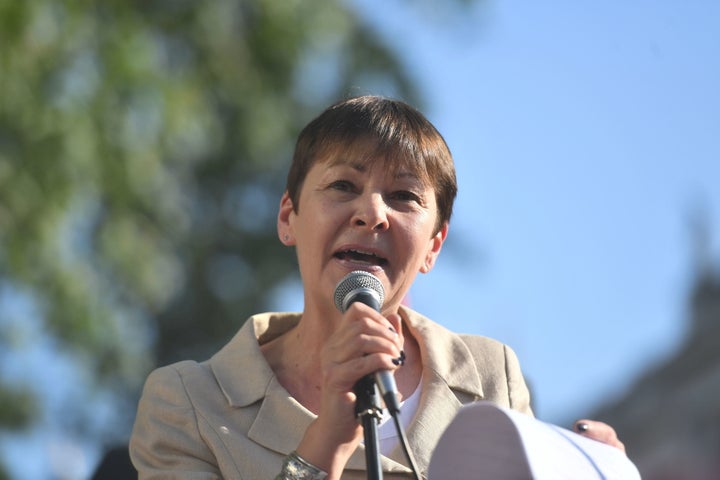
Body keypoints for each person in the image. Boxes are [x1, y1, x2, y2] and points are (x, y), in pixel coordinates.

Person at [129, 95, 624, 479]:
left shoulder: (492, 378)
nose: (373, 213)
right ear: (288, 217)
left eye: (404, 196)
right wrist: (323, 444)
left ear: (433, 246)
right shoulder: (188, 404)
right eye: (343, 186)